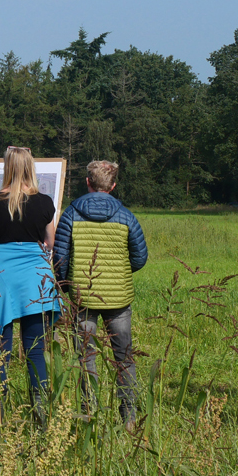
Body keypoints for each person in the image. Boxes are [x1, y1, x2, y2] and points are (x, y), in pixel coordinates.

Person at [53, 160, 147, 428]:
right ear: (113, 185)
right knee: (124, 357)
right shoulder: (127, 216)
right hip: (119, 300)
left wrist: (66, 285)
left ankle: (88, 413)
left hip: (83, 298)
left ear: (87, 182)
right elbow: (140, 258)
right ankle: (128, 417)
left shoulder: (71, 214)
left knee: (85, 357)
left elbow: (60, 258)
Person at [0, 146, 60, 429]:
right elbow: (48, 242)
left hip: (0, 276)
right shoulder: (45, 202)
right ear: (30, 167)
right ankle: (40, 419)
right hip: (34, 278)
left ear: (7, 167)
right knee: (35, 350)